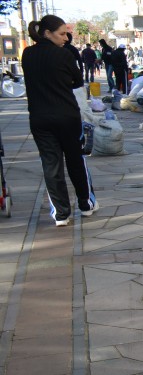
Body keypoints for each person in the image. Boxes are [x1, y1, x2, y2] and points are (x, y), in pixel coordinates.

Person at [21, 14, 97, 226]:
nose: (66, 38)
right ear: (47, 33)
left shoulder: (27, 54)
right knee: (75, 160)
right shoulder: (64, 54)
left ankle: (61, 213)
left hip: (39, 118)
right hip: (66, 116)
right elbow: (77, 81)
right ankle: (85, 203)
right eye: (62, 34)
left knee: (51, 163)